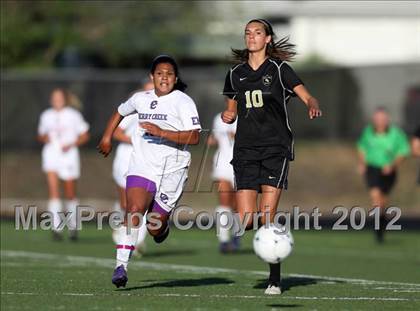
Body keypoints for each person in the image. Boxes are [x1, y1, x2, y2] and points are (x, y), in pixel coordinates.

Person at [221, 19, 322, 295]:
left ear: (267, 39)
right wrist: (227, 114)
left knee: (267, 217)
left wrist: (312, 104)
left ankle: (274, 279)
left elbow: (307, 97)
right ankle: (268, 243)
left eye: (257, 33)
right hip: (244, 150)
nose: (251, 37)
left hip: (275, 148)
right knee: (245, 220)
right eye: (247, 33)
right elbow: (230, 108)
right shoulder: (235, 73)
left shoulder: (280, 70)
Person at [97, 55, 201, 288]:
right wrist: (106, 137)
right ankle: (120, 267)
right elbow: (120, 112)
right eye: (160, 73)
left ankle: (161, 228)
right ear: (152, 77)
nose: (164, 77)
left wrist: (161, 132)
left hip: (173, 169)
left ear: (175, 78)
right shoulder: (140, 99)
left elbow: (194, 137)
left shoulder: (183, 102)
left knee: (154, 226)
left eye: (169, 74)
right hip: (142, 166)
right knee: (133, 210)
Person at [37, 88, 90, 241]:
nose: (56, 100)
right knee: (53, 192)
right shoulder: (46, 115)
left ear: (65, 99)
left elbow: (85, 135)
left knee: (70, 194)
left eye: (59, 97)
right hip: (51, 155)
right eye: (54, 97)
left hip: (69, 156)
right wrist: (45, 138)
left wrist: (71, 143)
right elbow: (41, 135)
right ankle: (56, 228)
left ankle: (73, 227)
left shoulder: (74, 115)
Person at [111, 79, 154, 256]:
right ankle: (123, 233)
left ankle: (135, 242)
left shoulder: (162, 112)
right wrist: (135, 141)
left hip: (145, 162)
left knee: (141, 204)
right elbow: (117, 132)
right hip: (125, 160)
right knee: (127, 205)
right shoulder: (135, 112)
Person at [357, 107, 410, 243]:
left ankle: (381, 226)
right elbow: (362, 147)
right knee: (375, 198)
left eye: (383, 119)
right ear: (374, 120)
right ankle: (377, 232)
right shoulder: (368, 132)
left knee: (382, 203)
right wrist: (362, 163)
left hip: (388, 172)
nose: (380, 121)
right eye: (377, 119)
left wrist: (392, 165)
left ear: (387, 120)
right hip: (373, 168)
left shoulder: (396, 134)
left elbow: (404, 151)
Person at [207, 112, 239, 253]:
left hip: (242, 164)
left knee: (238, 205)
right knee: (224, 202)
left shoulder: (247, 116)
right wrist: (212, 140)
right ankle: (224, 241)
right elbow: (215, 138)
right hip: (222, 164)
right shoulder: (218, 118)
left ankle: (236, 237)